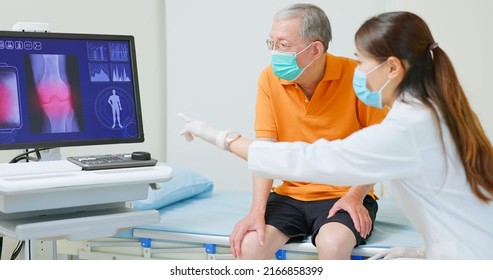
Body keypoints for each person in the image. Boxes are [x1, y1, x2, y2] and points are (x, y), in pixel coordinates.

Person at [180, 11, 493, 259]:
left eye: (361, 61)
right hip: (466, 250)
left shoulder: (408, 128)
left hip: (473, 257)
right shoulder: (427, 111)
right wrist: (425, 254)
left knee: (332, 241)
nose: (357, 70)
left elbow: (318, 159)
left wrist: (220, 137)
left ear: (393, 68)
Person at [184, 3, 388, 260]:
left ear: (315, 49)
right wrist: (256, 210)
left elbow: (379, 148)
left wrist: (356, 196)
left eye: (283, 45)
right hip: (291, 195)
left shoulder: (357, 78)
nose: (275, 53)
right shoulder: (269, 79)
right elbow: (265, 151)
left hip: (344, 194)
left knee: (333, 243)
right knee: (249, 246)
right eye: (272, 44)